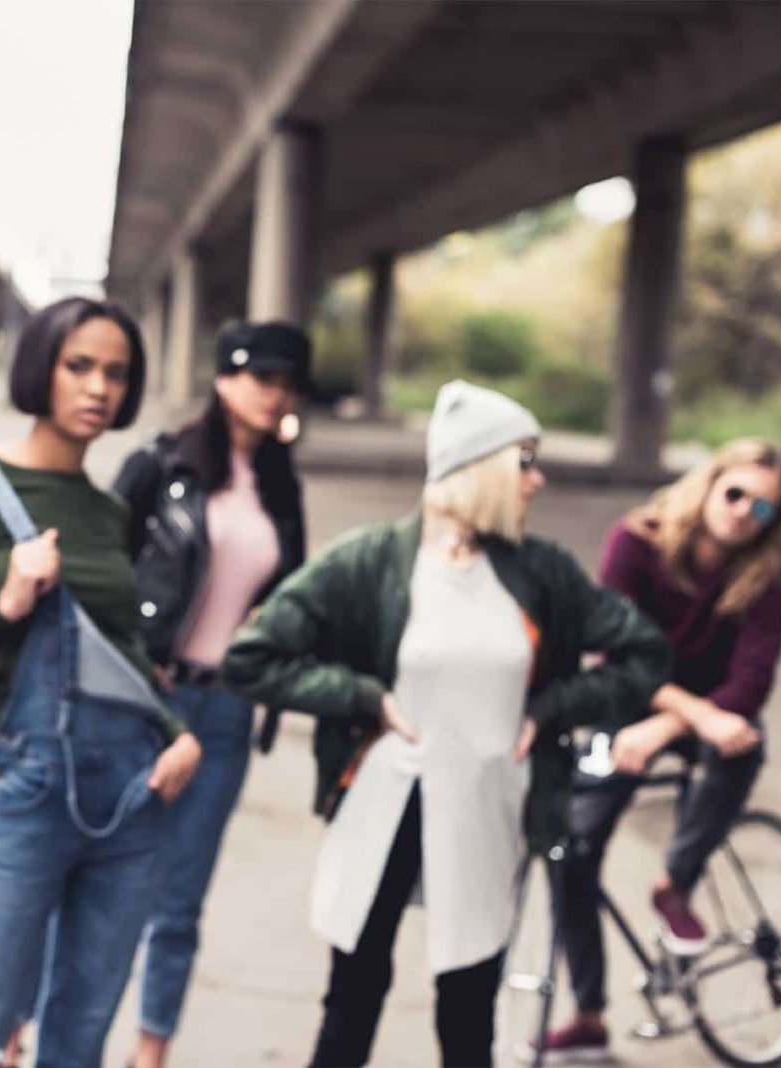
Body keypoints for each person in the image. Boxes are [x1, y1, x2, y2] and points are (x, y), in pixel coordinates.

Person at [221, 380, 671, 1067]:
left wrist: (553, 708)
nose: (539, 480)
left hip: (485, 806)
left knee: (468, 1008)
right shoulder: (370, 561)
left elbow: (644, 653)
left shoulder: (540, 572)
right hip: (387, 800)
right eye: (524, 461)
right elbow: (252, 658)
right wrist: (360, 696)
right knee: (353, 998)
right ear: (478, 466)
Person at [0, 296, 202, 1068]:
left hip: (134, 795)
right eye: (79, 366)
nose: (99, 388)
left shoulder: (110, 512)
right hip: (28, 786)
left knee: (79, 1039)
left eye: (117, 373)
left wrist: (180, 733)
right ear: (41, 367)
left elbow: (122, 649)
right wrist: (6, 606)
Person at [531, 437, 781, 1064]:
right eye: (736, 494)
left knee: (741, 744)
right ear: (708, 485)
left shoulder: (766, 575)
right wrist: (680, 716)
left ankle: (676, 884)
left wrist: (680, 724)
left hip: (715, 715)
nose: (743, 513)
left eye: (762, 508)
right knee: (571, 847)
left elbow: (750, 682)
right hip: (632, 706)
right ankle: (589, 1015)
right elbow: (616, 651)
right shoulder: (637, 542)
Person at [112, 321, 309, 1068]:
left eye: (287, 384)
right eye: (262, 378)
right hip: (148, 699)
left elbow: (295, 594)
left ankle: (151, 1050)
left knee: (180, 898)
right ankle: (34, 1030)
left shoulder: (282, 488)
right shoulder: (161, 465)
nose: (276, 395)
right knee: (104, 874)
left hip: (227, 709)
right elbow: (104, 574)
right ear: (225, 380)